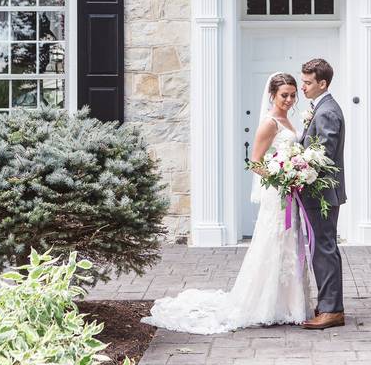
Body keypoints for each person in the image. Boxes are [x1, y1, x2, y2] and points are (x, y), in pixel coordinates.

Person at [141, 72, 313, 334]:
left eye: (292, 95)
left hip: (290, 193)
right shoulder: (269, 123)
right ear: (272, 95)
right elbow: (255, 162)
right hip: (277, 193)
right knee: (274, 241)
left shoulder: (287, 119)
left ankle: (290, 304)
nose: (289, 99)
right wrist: (282, 176)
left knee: (291, 243)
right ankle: (264, 304)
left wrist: (296, 173)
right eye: (284, 95)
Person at [298, 58, 346, 330]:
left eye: (307, 82)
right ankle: (328, 305)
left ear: (322, 83)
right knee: (322, 249)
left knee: (324, 250)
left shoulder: (327, 111)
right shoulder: (321, 108)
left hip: (322, 195)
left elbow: (323, 155)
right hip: (318, 194)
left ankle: (331, 310)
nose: (303, 87)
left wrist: (295, 167)